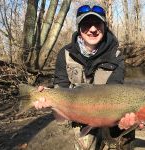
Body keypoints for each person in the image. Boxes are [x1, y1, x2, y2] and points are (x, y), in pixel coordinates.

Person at [36, 1, 135, 150]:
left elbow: (115, 91)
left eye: (97, 24)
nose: (93, 29)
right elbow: (61, 86)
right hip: (78, 113)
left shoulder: (116, 56)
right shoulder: (65, 54)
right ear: (79, 28)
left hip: (109, 112)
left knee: (127, 129)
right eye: (86, 24)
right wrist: (49, 99)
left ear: (104, 26)